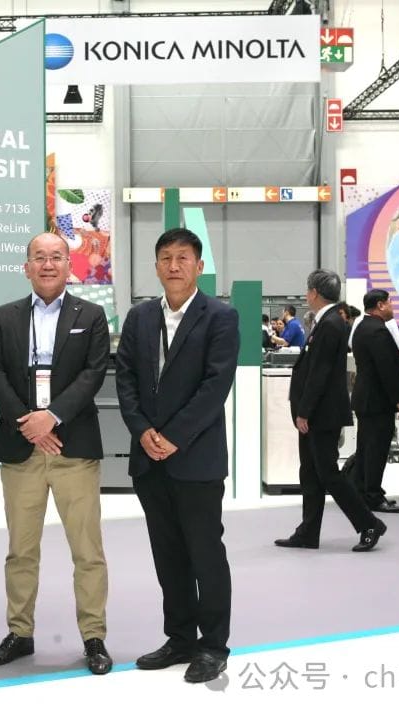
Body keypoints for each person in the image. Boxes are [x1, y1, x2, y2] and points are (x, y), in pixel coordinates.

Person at [0, 232, 113, 675]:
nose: (48, 264)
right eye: (39, 257)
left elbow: (93, 372)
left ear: (69, 266)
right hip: (22, 448)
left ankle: (93, 636)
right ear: (27, 267)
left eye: (56, 256)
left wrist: (52, 417)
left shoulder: (91, 315)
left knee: (87, 551)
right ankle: (19, 633)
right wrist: (30, 424)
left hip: (74, 448)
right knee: (21, 550)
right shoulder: (4, 316)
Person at [115, 227, 239, 684]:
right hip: (149, 459)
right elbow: (125, 378)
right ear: (155, 266)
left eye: (183, 257)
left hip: (196, 458)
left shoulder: (220, 317)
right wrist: (143, 431)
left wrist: (174, 436)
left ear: (199, 266)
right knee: (167, 556)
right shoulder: (140, 317)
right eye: (165, 257)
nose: (173, 265)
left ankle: (213, 645)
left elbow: (215, 386)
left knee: (205, 554)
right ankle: (180, 638)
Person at [275, 269, 386, 553]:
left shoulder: (331, 324)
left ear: (314, 292)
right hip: (317, 413)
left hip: (321, 415)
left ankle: (369, 523)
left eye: (307, 290)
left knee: (328, 474)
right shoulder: (328, 321)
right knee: (310, 473)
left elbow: (320, 373)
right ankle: (308, 532)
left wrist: (304, 411)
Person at [349, 289, 399, 514]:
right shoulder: (378, 331)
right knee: (376, 450)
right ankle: (373, 496)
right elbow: (386, 369)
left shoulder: (363, 327)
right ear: (381, 305)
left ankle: (364, 491)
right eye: (390, 302)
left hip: (366, 399)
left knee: (366, 448)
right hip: (377, 401)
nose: (393, 306)